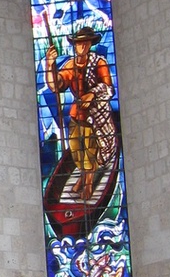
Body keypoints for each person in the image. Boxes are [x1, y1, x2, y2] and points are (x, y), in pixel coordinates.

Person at [45, 26, 118, 200]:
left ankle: (88, 185)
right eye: (79, 43)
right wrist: (49, 66)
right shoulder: (70, 65)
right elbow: (56, 85)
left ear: (91, 44)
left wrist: (92, 94)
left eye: (86, 43)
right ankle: (82, 181)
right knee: (78, 150)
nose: (83, 47)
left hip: (96, 115)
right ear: (75, 45)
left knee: (90, 151)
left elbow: (109, 88)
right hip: (77, 115)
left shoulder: (99, 62)